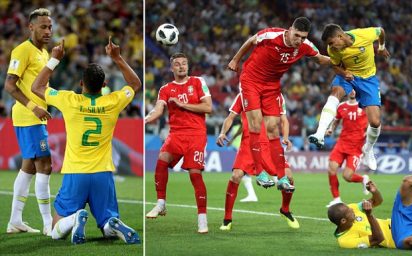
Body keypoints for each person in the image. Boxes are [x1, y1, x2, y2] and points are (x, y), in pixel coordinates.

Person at [30, 37, 140, 244]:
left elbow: (37, 87)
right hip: (103, 174)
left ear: (81, 84)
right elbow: (135, 84)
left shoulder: (69, 100)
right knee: (107, 223)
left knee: (55, 229)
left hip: (76, 172)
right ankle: (112, 223)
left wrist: (54, 59)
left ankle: (74, 219)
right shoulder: (112, 101)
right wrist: (117, 58)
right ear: (105, 85)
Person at [227, 17, 330, 188]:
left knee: (273, 129)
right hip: (251, 80)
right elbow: (251, 40)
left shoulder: (305, 46)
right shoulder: (271, 34)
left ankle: (281, 177)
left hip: (272, 85)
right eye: (297, 35)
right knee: (255, 124)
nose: (299, 40)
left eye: (303, 37)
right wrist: (235, 60)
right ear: (290, 30)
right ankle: (260, 173)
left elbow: (320, 59)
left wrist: (340, 61)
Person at [326, 150, 412, 253]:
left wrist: (375, 193)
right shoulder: (345, 241)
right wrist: (369, 215)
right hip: (396, 239)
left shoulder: (350, 208)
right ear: (343, 221)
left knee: (408, 182)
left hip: (396, 221)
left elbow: (377, 202)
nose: (352, 209)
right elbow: (378, 238)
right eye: (350, 212)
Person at [144, 52, 212, 234]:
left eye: (184, 63)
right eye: (177, 64)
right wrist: (145, 119)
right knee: (161, 160)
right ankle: (161, 203)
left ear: (188, 66)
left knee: (195, 174)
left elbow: (208, 108)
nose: (181, 66)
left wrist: (183, 105)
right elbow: (158, 110)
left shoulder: (198, 82)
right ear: (171, 67)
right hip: (176, 134)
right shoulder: (165, 89)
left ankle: (202, 219)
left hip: (196, 134)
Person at [308, 23, 390, 171]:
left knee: (375, 122)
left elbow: (381, 31)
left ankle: (368, 149)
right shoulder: (332, 49)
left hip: (368, 80)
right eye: (329, 45)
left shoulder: (364, 35)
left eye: (332, 43)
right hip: (347, 75)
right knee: (335, 93)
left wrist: (382, 47)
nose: (331, 47)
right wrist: (344, 73)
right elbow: (335, 65)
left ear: (340, 36)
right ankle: (320, 133)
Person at [216, 93, 299, 231]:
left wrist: (285, 137)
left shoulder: (277, 95)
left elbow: (284, 119)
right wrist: (222, 132)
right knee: (236, 176)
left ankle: (285, 210)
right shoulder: (244, 95)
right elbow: (231, 117)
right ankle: (227, 219)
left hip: (269, 143)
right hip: (249, 143)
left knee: (288, 177)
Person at [5, 8, 54, 235]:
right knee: (45, 165)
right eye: (43, 26)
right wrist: (33, 107)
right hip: (28, 116)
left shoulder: (44, 54)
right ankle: (47, 223)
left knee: (28, 168)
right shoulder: (22, 50)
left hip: (37, 117)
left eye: (50, 27)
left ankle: (15, 220)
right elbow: (9, 85)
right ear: (31, 27)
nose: (48, 31)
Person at [325, 90, 370, 207]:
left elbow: (372, 123)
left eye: (355, 89)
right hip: (342, 143)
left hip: (356, 147)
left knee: (347, 176)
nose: (353, 92)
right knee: (331, 169)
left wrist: (368, 138)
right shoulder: (342, 106)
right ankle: (336, 199)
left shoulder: (364, 105)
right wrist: (331, 129)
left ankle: (363, 179)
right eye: (350, 89)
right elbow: (336, 121)